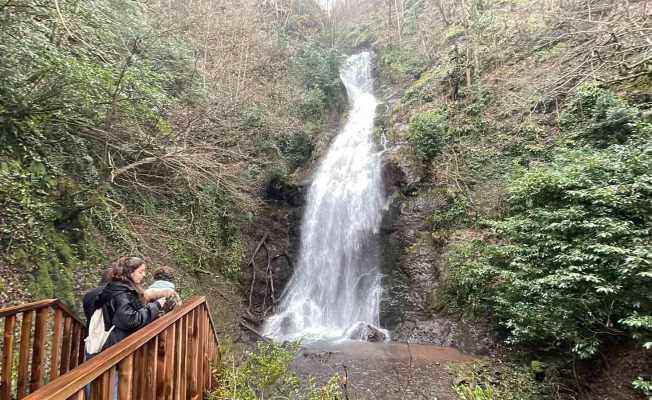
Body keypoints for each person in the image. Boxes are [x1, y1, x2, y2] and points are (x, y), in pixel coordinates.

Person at [98, 256, 165, 351]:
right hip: (117, 346)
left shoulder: (120, 288)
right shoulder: (121, 293)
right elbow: (130, 320)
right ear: (130, 272)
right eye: (140, 272)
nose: (144, 275)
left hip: (119, 343)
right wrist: (156, 306)